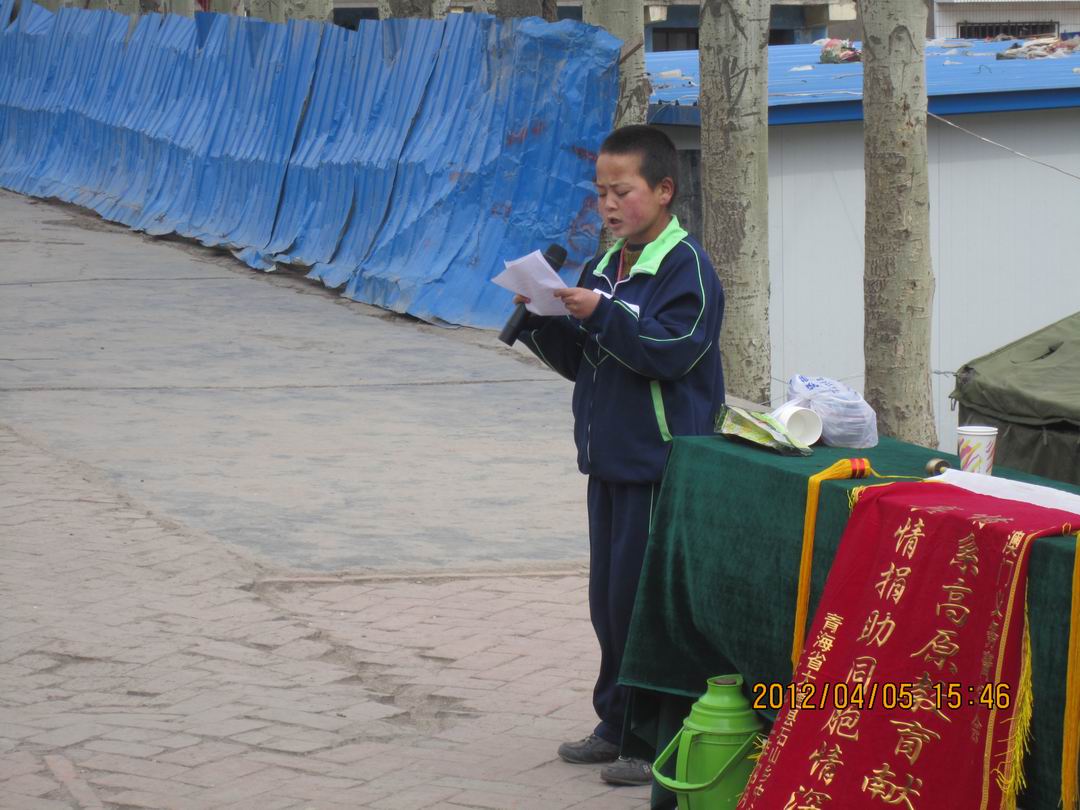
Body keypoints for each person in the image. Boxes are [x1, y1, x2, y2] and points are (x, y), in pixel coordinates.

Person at [515, 125, 725, 786]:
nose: (608, 204)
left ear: (663, 190)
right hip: (608, 462)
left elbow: (672, 351)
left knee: (647, 606)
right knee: (609, 602)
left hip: (660, 466)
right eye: (601, 191)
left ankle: (657, 738)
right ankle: (616, 721)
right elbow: (588, 362)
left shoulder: (687, 267)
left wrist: (602, 313)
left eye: (622, 190)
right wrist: (542, 320)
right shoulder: (605, 266)